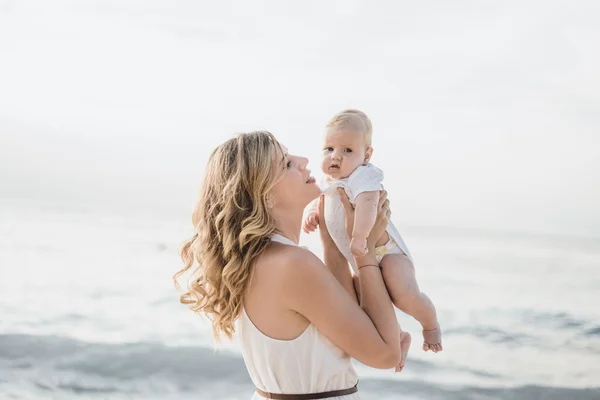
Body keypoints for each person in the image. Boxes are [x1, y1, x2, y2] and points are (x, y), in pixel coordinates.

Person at [174, 131, 410, 399]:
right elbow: (386, 354)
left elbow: (354, 320)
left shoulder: (262, 260)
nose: (303, 160)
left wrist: (330, 234)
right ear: (265, 195)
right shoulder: (292, 265)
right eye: (285, 164)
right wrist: (364, 249)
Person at [303, 110, 442, 352]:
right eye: (329, 149)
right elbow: (321, 201)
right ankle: (397, 336)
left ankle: (430, 324)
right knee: (363, 304)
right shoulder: (328, 181)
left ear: (366, 155)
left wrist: (359, 237)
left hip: (387, 254)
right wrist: (311, 214)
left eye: (347, 150)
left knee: (403, 295)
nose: (336, 156)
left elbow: (368, 205)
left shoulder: (362, 176)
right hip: (360, 258)